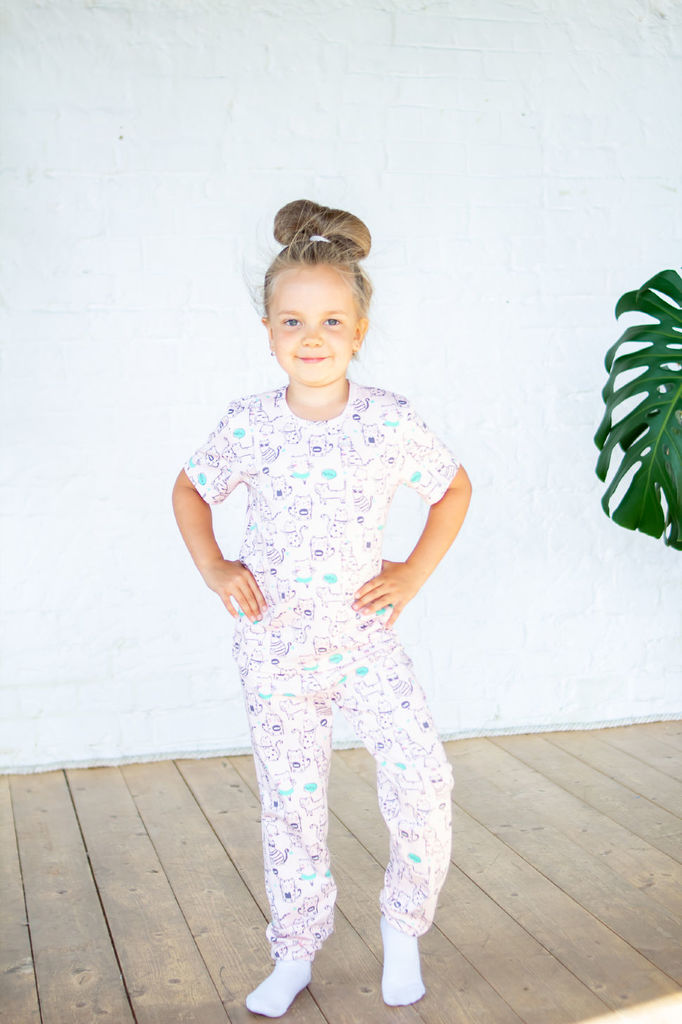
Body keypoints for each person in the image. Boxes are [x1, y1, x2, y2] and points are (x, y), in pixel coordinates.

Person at [172, 199, 472, 1018]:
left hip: (364, 644)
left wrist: (411, 574)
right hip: (276, 651)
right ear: (269, 330)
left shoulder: (387, 420)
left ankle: (403, 929)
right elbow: (190, 491)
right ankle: (296, 950)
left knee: (423, 782)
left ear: (360, 331)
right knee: (291, 806)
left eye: (332, 320)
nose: (313, 336)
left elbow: (452, 489)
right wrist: (215, 566)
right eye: (293, 320)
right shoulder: (249, 425)